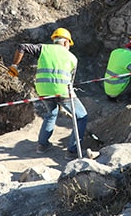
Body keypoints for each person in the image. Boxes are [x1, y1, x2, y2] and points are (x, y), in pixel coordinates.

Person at [8, 27, 89, 157]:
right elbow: (70, 83)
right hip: (62, 91)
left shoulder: (43, 49)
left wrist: (14, 66)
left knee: (51, 113)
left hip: (43, 90)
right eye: (69, 44)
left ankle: (42, 145)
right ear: (66, 42)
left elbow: (21, 47)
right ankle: (72, 152)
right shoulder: (73, 58)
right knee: (81, 117)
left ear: (55, 40)